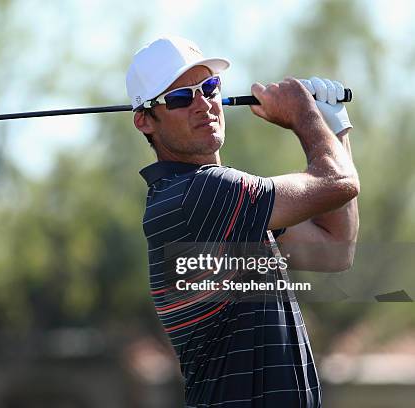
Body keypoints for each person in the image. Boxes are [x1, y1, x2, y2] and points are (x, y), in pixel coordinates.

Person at [126, 36, 359, 407]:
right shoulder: (197, 196)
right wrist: (304, 114)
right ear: (144, 120)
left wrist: (335, 131)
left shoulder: (224, 205)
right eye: (180, 98)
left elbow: (335, 249)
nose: (203, 104)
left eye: (209, 87)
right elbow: (338, 182)